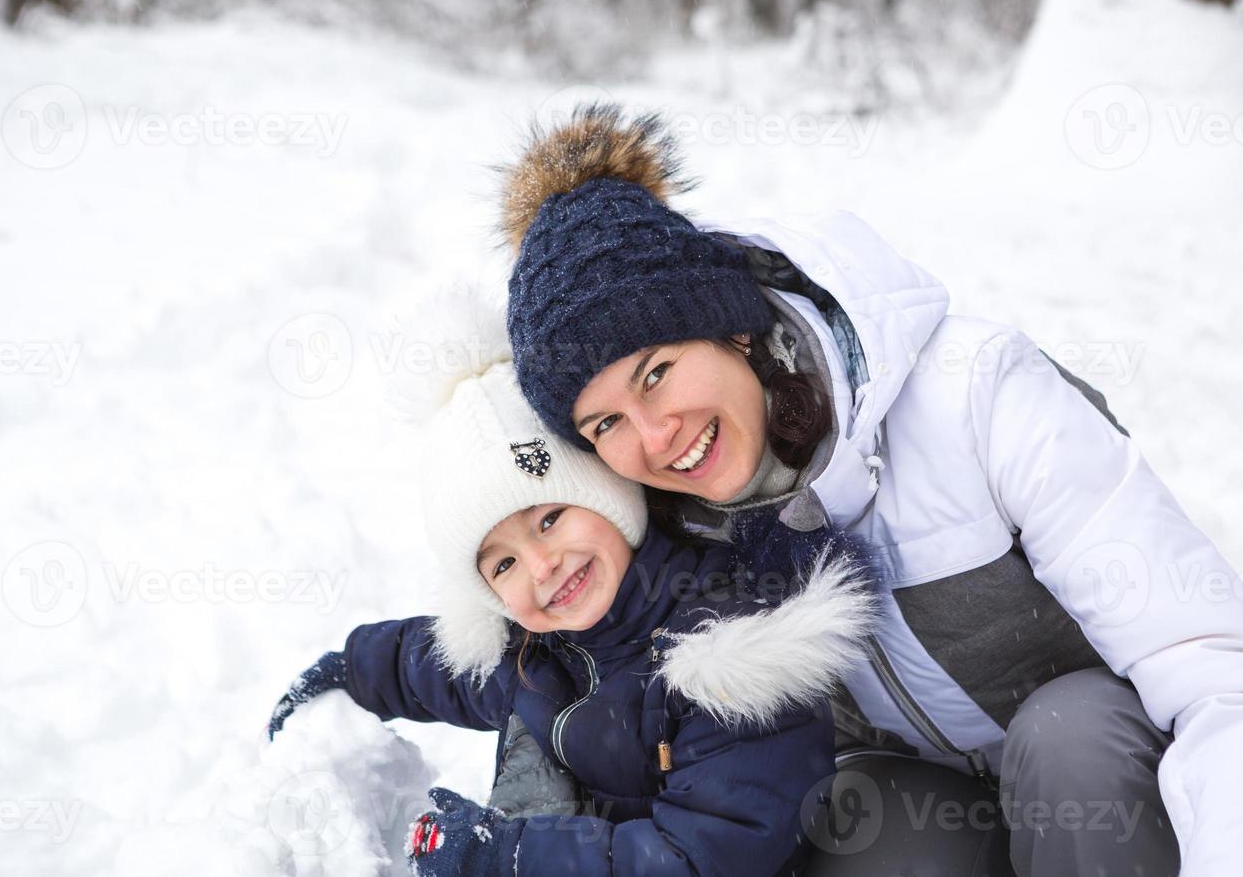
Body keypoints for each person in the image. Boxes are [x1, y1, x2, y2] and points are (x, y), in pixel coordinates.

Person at [494, 103, 1243, 875]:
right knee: (849, 825)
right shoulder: (667, 524)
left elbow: (1224, 679)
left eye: (658, 374)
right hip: (929, 802)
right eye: (603, 424)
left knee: (1073, 734)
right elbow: (565, 666)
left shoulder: (975, 396)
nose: (654, 438)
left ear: (731, 326)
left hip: (1116, 793)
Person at [266, 296, 878, 876]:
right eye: (501, 564)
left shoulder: (726, 652)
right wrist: (348, 669)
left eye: (551, 520)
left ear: (612, 499)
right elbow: (434, 667)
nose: (541, 567)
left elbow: (698, 861)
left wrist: (505, 857)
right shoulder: (541, 647)